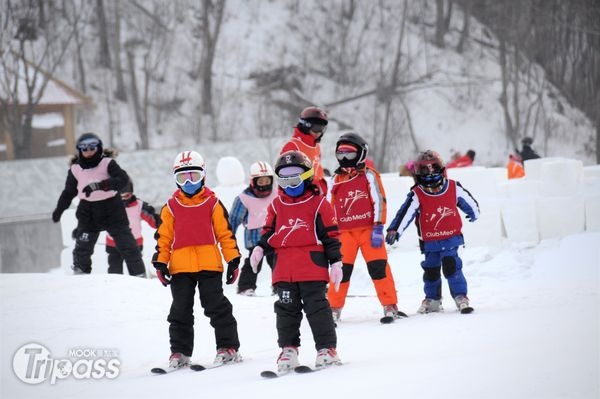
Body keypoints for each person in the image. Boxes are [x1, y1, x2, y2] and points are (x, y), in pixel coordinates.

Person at [249, 150, 343, 372]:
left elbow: (331, 236)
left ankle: (326, 349)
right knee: (285, 311)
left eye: (295, 177)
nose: (291, 184)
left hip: (312, 268)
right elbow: (268, 233)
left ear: (307, 175)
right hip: (284, 271)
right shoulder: (275, 205)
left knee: (318, 310)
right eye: (285, 179)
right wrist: (260, 248)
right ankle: (289, 349)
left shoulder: (320, 204)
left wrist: (336, 262)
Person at [152, 150, 242, 370]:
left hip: (209, 265)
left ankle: (228, 347)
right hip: (180, 267)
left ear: (204, 175)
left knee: (215, 306)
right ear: (176, 179)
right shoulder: (171, 208)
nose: (189, 182)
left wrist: (233, 260)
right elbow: (163, 238)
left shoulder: (212, 203)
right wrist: (161, 263)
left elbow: (225, 235)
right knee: (180, 310)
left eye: (194, 176)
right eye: (183, 178)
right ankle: (180, 352)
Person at [385, 150, 480, 314]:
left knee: (452, 267)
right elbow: (405, 213)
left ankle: (460, 296)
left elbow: (468, 201)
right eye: (425, 171)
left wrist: (474, 212)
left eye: (433, 170)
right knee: (431, 270)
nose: (430, 174)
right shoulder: (417, 194)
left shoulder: (452, 187)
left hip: (451, 238)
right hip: (430, 242)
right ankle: (433, 299)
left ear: (441, 169)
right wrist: (395, 229)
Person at [327, 132, 406, 322]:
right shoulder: (335, 180)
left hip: (369, 231)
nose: (345, 159)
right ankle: (333, 308)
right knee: (340, 271)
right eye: (341, 155)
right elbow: (328, 206)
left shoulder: (368, 175)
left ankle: (390, 305)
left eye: (350, 154)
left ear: (361, 154)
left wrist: (379, 225)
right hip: (344, 233)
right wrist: (328, 233)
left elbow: (378, 199)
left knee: (379, 268)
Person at [51, 132, 146, 277]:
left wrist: (99, 186)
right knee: (82, 248)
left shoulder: (107, 163)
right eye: (84, 148)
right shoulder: (76, 169)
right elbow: (68, 192)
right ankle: (81, 276)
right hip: (88, 212)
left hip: (112, 210)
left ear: (99, 148)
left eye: (92, 147)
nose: (88, 152)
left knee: (128, 246)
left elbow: (122, 180)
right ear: (80, 150)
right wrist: (59, 210)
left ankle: (139, 276)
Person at [229, 161, 277, 296]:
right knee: (254, 262)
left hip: (274, 236)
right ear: (253, 182)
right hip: (255, 238)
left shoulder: (277, 194)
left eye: (267, 181)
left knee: (277, 261)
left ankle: (279, 285)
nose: (264, 185)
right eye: (260, 182)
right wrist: (228, 236)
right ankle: (245, 287)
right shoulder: (244, 199)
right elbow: (233, 219)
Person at [105, 179, 160, 274]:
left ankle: (139, 280)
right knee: (114, 269)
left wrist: (160, 222)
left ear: (131, 193)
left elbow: (151, 217)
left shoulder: (138, 205)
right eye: (120, 196)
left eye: (126, 195)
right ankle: (113, 283)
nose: (123, 199)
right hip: (114, 243)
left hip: (134, 243)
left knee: (136, 267)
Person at [280, 106, 329, 194]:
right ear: (306, 125)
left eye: (322, 128)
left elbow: (315, 168)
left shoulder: (316, 146)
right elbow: (285, 176)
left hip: (318, 195)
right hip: (302, 196)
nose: (319, 132)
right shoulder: (293, 146)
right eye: (317, 128)